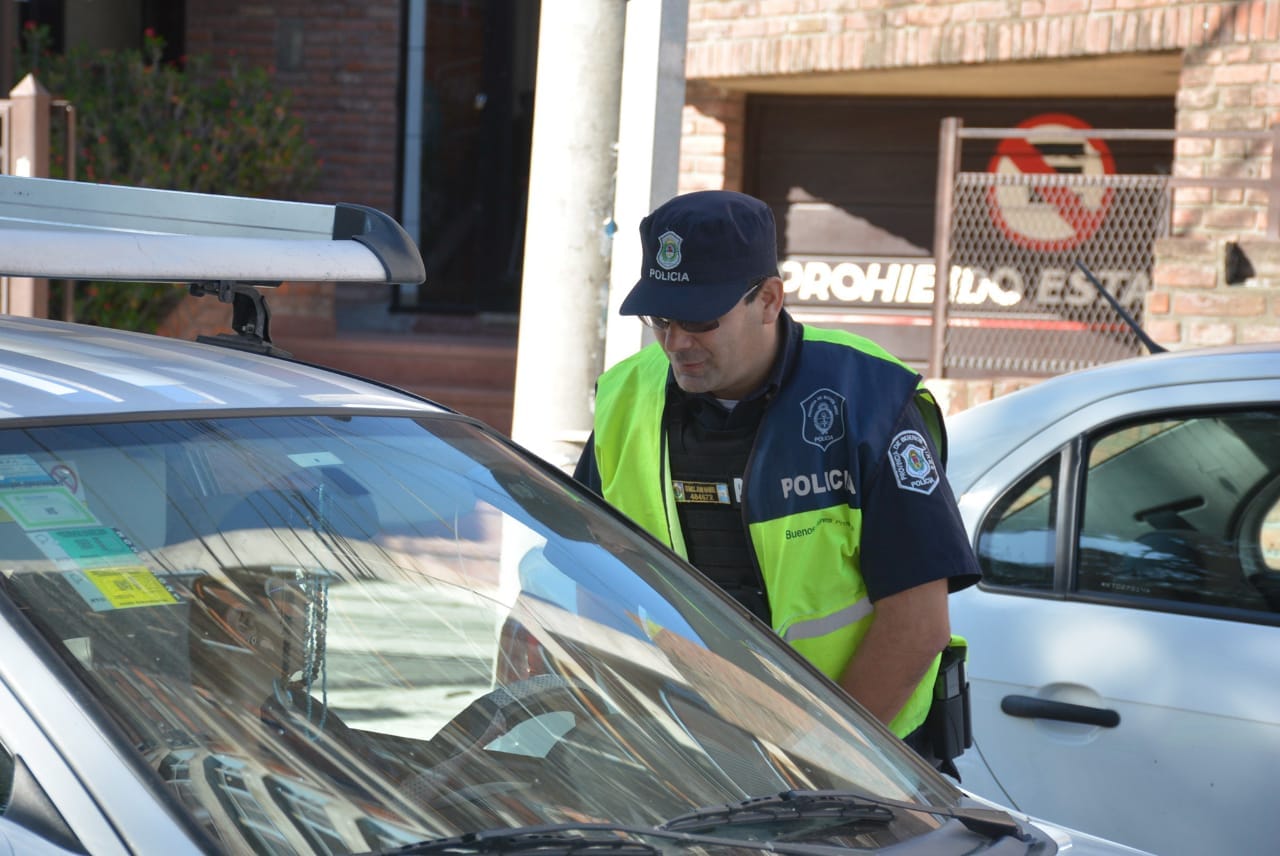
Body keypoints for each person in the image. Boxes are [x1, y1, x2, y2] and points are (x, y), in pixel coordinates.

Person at [574, 189, 981, 769]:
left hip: (865, 762)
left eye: (699, 319)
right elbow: (586, 573)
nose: (675, 342)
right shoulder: (625, 399)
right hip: (691, 758)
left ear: (768, 299)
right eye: (659, 318)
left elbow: (917, 625)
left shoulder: (868, 401)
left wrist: (821, 763)